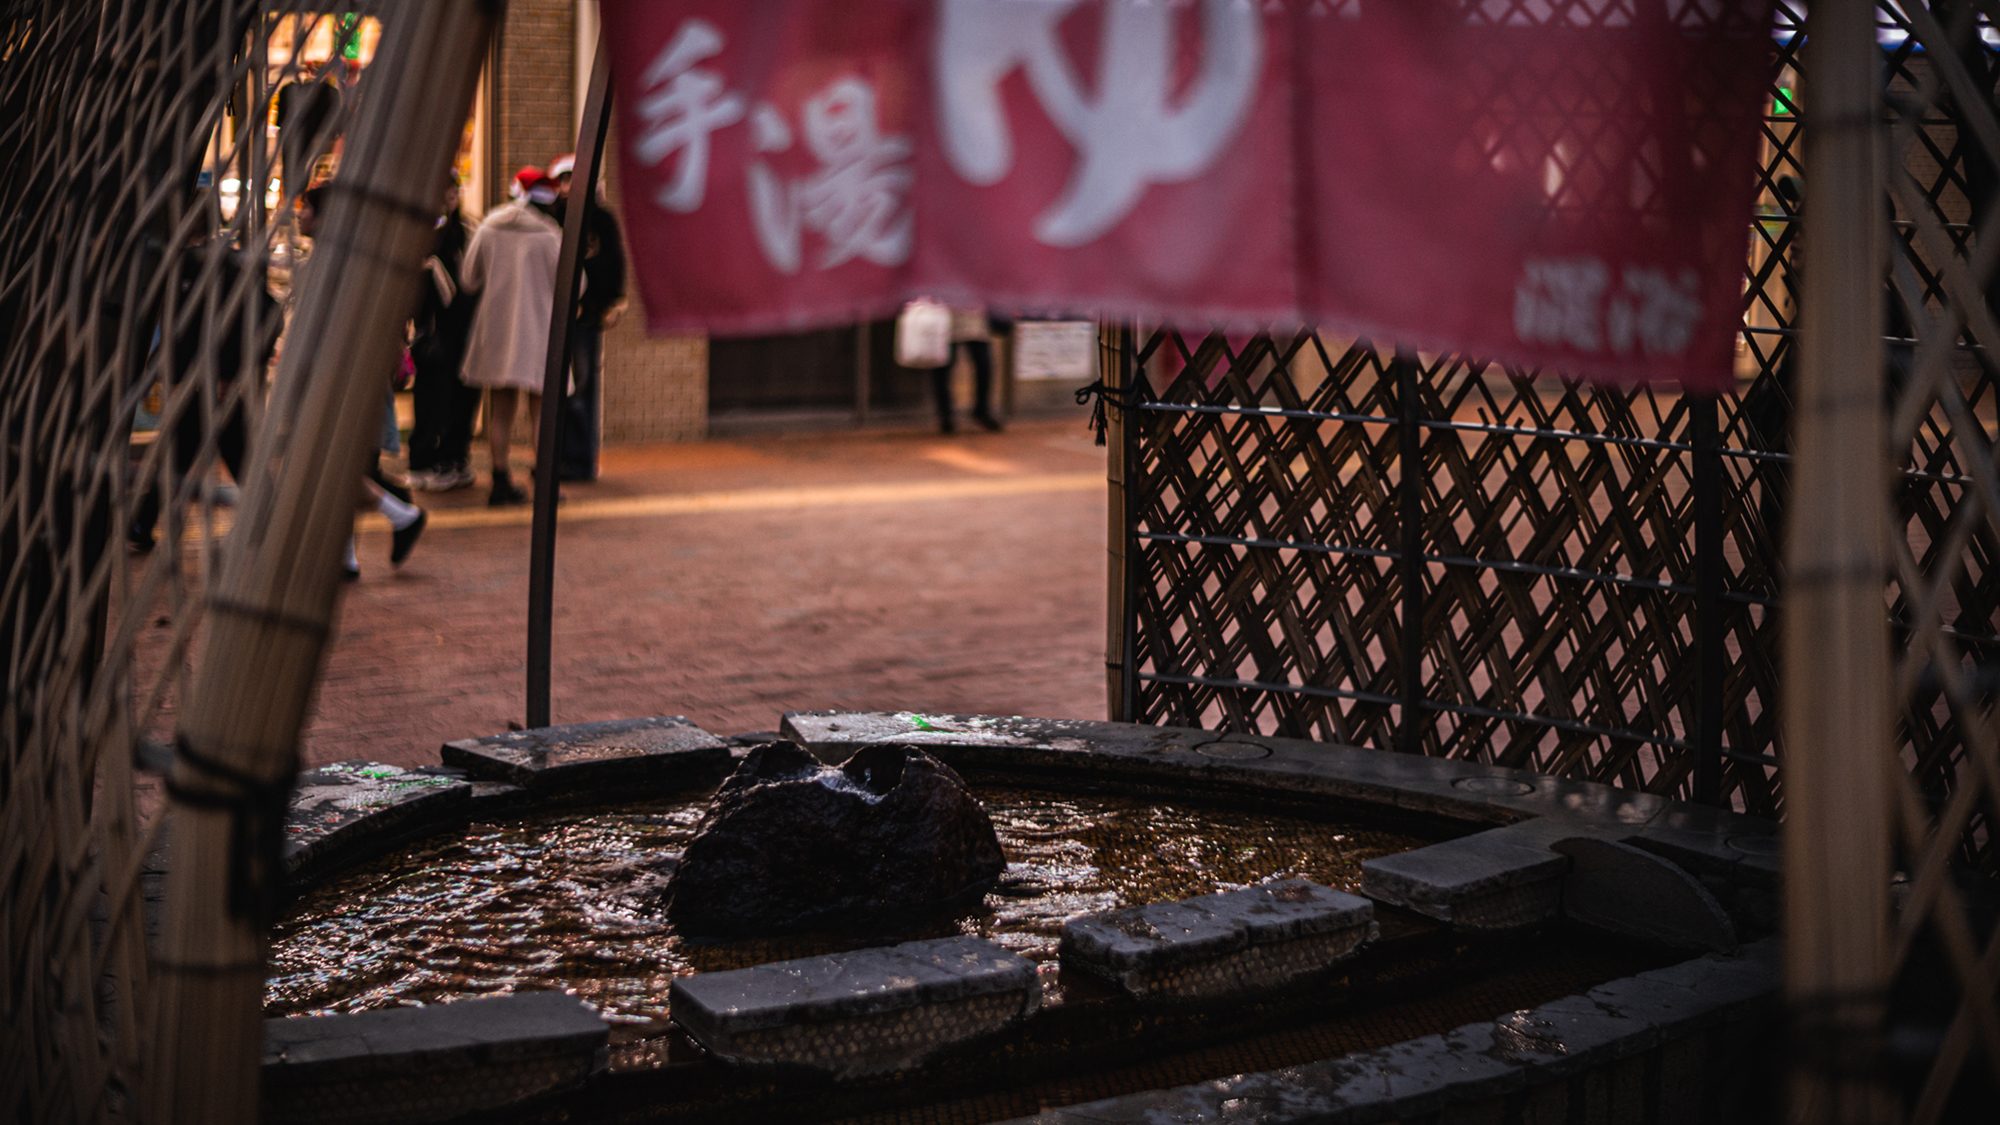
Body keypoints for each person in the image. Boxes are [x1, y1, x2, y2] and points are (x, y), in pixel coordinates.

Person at [295, 185, 428, 575]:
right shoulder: (344, 260)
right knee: (344, 468)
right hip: (351, 380)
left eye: (307, 209)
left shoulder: (335, 265)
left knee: (330, 467)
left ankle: (401, 513)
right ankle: (347, 557)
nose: (301, 216)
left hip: (344, 382)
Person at [459, 167, 564, 506]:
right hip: (540, 330)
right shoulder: (549, 234)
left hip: (497, 329)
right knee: (542, 411)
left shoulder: (490, 227)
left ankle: (500, 480)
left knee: (500, 411)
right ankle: (546, 483)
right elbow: (575, 287)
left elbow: (468, 279)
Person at [549, 153, 626, 482]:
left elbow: (614, 266)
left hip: (586, 317)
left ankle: (581, 462)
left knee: (582, 389)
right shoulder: (551, 218)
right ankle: (558, 458)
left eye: (574, 178)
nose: (569, 186)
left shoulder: (602, 221)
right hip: (553, 318)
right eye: (564, 180)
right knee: (555, 391)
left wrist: (607, 304)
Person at [406, 177, 480, 492]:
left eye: (453, 191)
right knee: (432, 399)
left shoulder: (468, 229)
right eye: (444, 191)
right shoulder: (422, 233)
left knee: (462, 397)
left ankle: (453, 457)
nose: (450, 197)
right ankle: (424, 461)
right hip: (435, 331)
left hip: (464, 329)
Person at [932, 306, 1001, 433]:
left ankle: (981, 410)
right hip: (945, 319)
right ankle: (945, 414)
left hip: (976, 318)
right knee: (942, 367)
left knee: (984, 365)